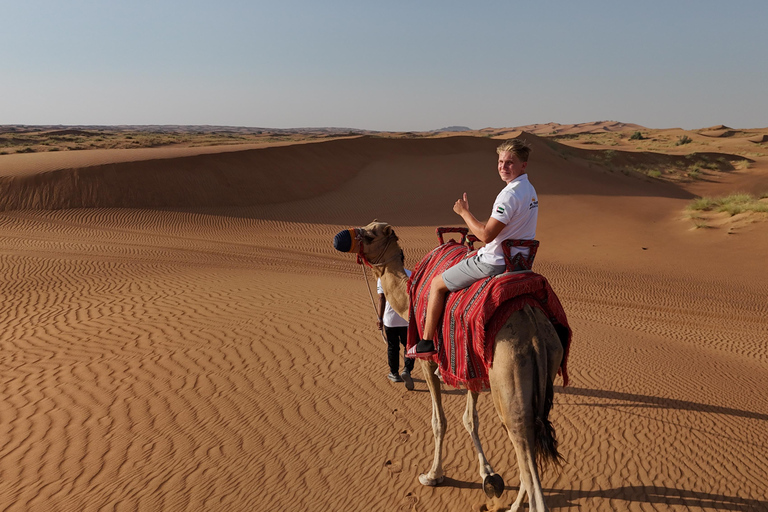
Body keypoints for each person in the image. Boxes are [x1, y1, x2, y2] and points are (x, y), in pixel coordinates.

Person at [414, 139, 538, 357]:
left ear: (523, 165)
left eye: (510, 162)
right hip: (520, 262)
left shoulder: (509, 195)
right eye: (500, 161)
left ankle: (426, 343)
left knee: (436, 285)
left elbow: (485, 235)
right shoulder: (529, 190)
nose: (503, 166)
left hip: (494, 262)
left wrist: (463, 212)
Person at [377, 255, 415, 390]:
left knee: (393, 347)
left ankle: (394, 373)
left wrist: (380, 318)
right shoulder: (410, 274)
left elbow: (381, 298)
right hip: (407, 319)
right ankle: (407, 370)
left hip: (390, 320)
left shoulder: (383, 277)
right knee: (409, 346)